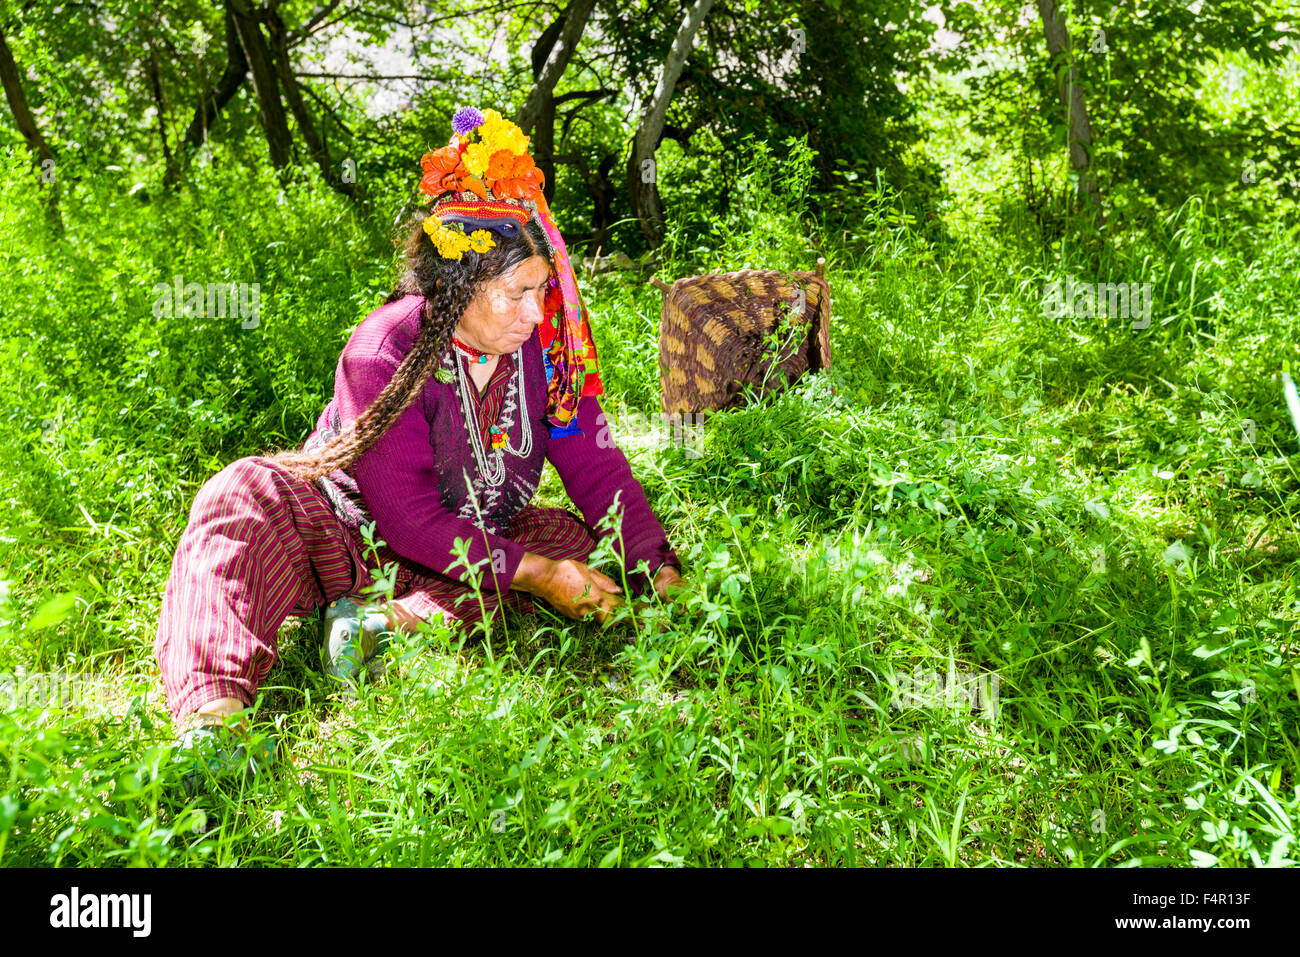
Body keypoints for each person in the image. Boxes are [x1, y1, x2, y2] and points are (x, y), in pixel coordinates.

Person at [155, 105, 687, 735]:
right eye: (515, 291)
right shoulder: (384, 350)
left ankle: (383, 625)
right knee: (240, 492)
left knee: (571, 542)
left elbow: (594, 463)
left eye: (542, 289)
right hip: (347, 532)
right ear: (457, 285)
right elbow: (406, 518)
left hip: (471, 536)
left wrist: (658, 567)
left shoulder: (547, 353)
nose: (534, 311)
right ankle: (214, 724)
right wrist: (538, 576)